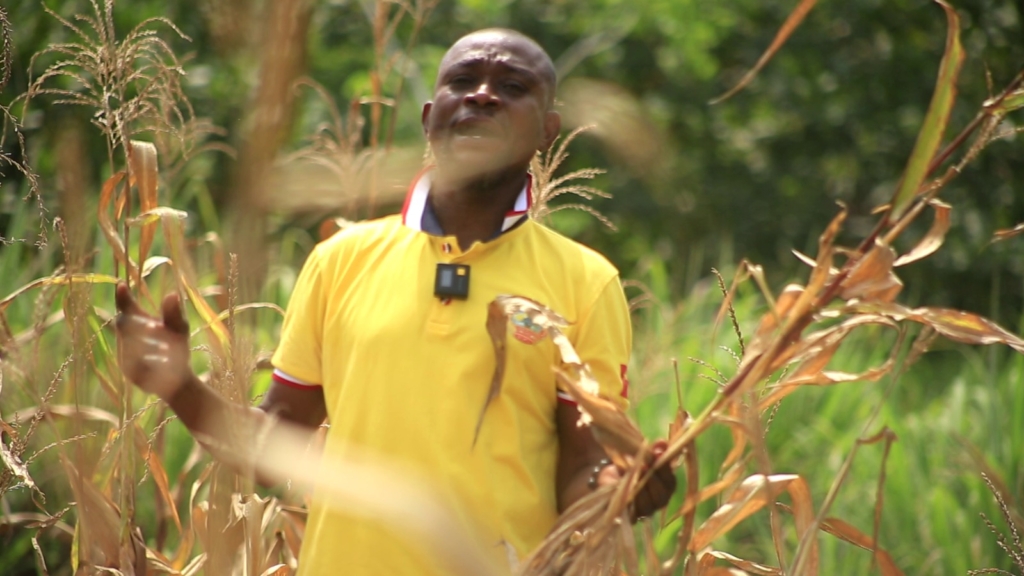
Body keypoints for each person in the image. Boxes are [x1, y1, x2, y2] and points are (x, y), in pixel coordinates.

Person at [115, 28, 676, 575]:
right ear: (430, 117)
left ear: (548, 130)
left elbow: (584, 468)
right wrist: (181, 388)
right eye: (464, 81)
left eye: (512, 87)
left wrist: (618, 490)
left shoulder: (586, 282)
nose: (483, 95)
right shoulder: (340, 260)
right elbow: (271, 448)